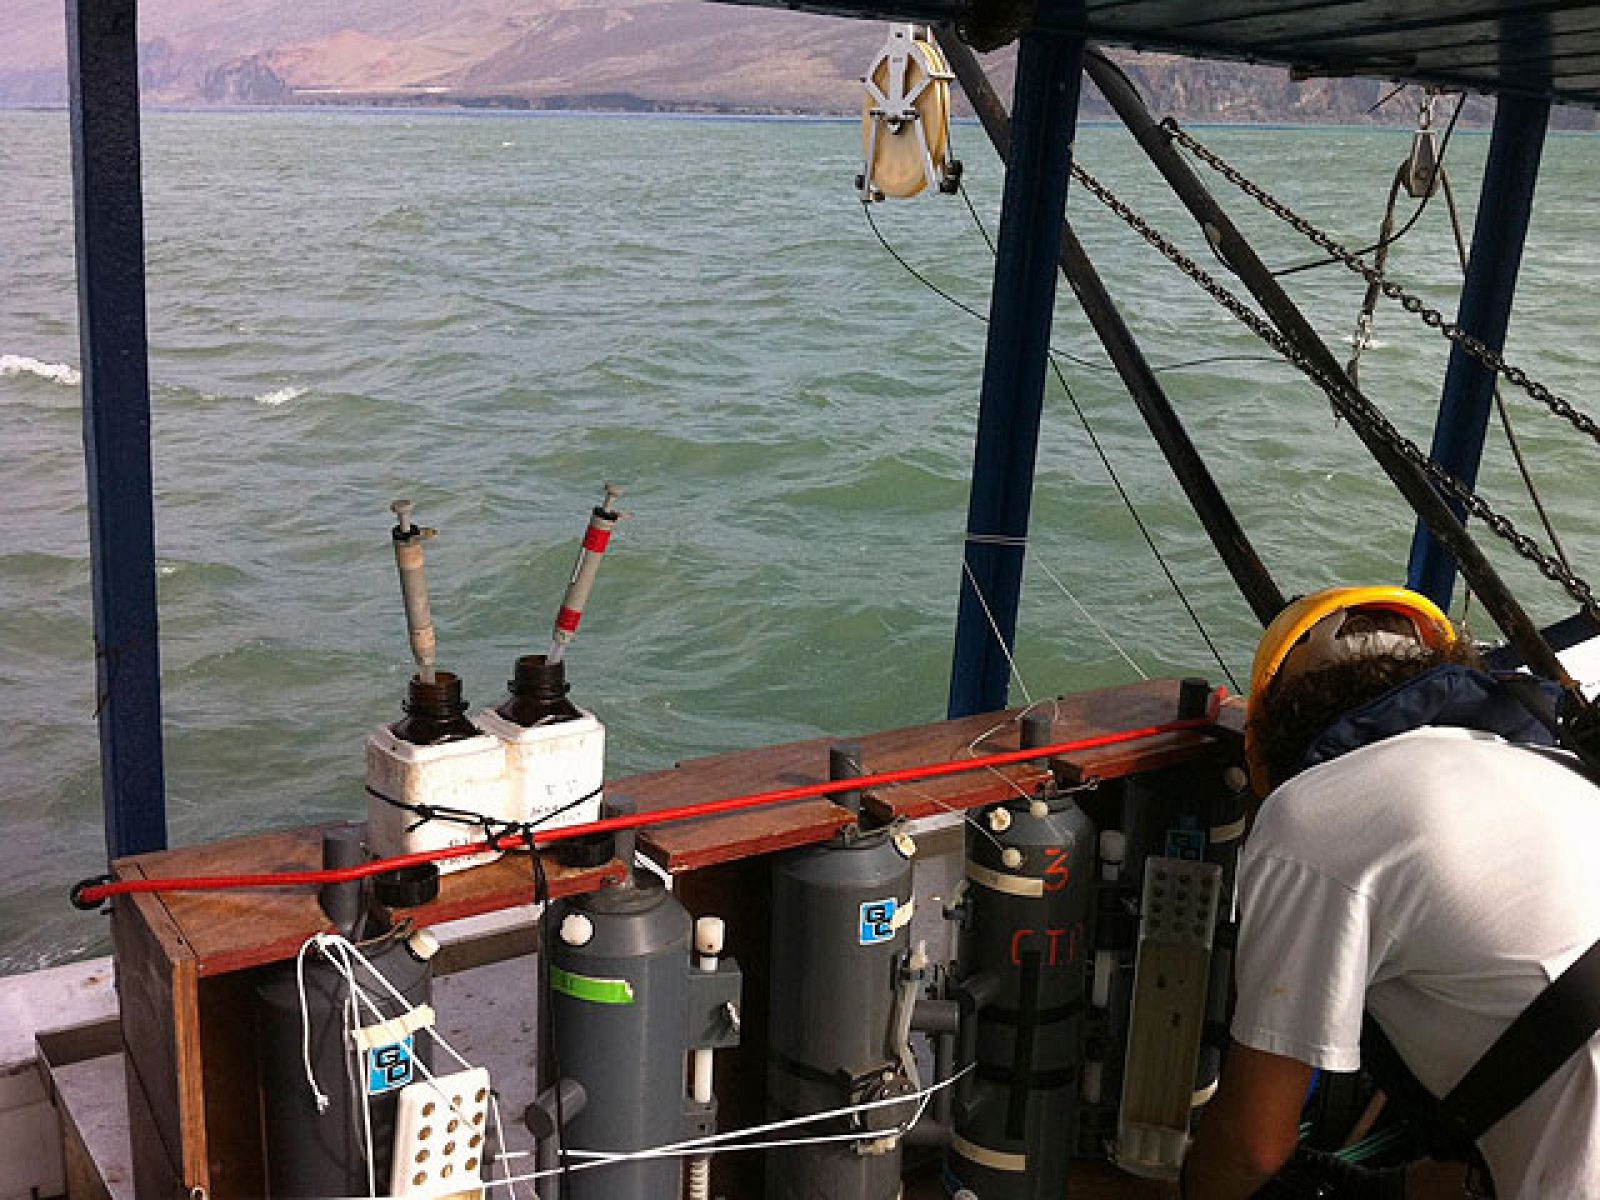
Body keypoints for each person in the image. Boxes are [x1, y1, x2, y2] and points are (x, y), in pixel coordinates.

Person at [1183, 585, 1600, 1199]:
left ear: (1272, 735)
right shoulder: (1554, 773)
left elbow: (1251, 1148)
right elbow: (1513, 1114)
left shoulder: (1317, 810)